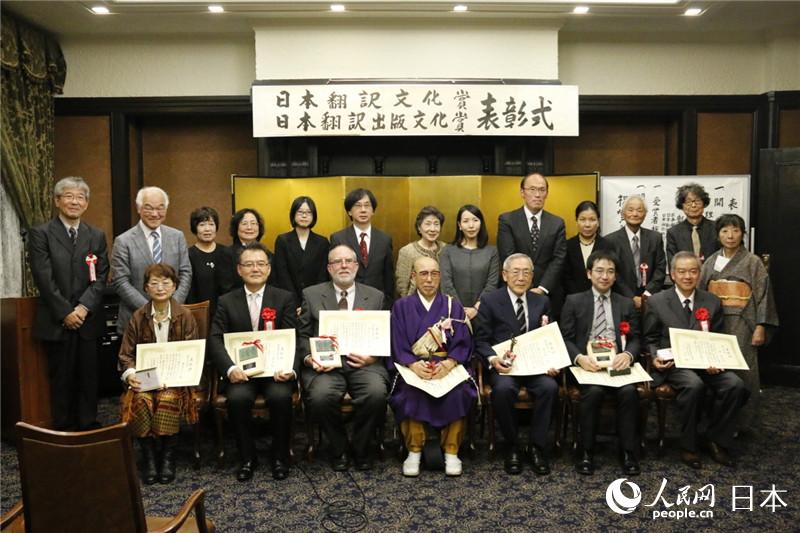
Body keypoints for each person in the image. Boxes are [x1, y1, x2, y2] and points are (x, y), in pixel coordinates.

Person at [644, 251, 749, 469]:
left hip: (706, 363)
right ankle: (688, 446)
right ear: (672, 274)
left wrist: (717, 360)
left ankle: (716, 439)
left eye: (693, 271)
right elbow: (650, 338)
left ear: (699, 274)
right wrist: (654, 357)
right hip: (675, 365)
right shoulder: (657, 301)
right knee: (693, 385)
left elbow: (718, 337)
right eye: (681, 272)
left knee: (736, 385)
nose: (687, 276)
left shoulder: (711, 301)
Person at [209, 242, 297, 481]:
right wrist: (230, 369)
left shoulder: (284, 298)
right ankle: (247, 457)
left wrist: (290, 369)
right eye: (249, 264)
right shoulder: (226, 301)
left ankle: (279, 456)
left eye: (260, 264)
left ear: (269, 269)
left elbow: (294, 338)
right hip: (242, 373)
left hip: (275, 371)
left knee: (280, 397)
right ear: (239, 270)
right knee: (237, 399)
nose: (255, 269)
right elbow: (215, 339)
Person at [297, 244, 389, 471]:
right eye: (337, 261)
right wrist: (311, 359)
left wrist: (372, 357)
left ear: (357, 266)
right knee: (319, 396)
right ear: (329, 268)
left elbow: (385, 335)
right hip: (326, 368)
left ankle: (360, 447)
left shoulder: (376, 297)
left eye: (349, 260)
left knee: (376, 394)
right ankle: (338, 448)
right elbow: (302, 336)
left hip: (365, 365)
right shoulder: (311, 294)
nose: (344, 265)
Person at [28, 176, 109, 431]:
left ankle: (87, 426)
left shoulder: (95, 235)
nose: (75, 201)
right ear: (57, 201)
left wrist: (83, 308)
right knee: (61, 378)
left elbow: (102, 275)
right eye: (69, 196)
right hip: (57, 319)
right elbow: (43, 277)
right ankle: (62, 430)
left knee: (88, 377)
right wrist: (66, 312)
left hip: (88, 319)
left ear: (86, 203)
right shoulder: (41, 234)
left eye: (80, 197)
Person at [389, 257, 477, 477]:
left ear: (440, 276)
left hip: (446, 365)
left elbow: (464, 341)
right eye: (423, 274)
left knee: (459, 392)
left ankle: (451, 451)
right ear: (413, 277)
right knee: (410, 392)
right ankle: (414, 450)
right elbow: (396, 342)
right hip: (413, 366)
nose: (429, 279)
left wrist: (449, 363)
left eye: (434, 274)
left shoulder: (452, 305)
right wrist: (412, 364)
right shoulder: (401, 306)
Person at [474, 253, 559, 475]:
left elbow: (550, 337)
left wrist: (553, 361)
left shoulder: (542, 301)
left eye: (526, 272)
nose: (521, 277)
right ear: (504, 275)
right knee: (502, 390)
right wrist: (493, 359)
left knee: (550, 388)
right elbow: (481, 340)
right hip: (506, 368)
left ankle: (537, 447)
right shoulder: (491, 301)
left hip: (535, 367)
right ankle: (512, 446)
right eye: (515, 272)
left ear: (532, 276)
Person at [560, 250, 641, 476]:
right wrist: (579, 358)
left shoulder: (626, 304)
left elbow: (636, 338)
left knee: (629, 393)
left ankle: (627, 452)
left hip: (618, 365)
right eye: (599, 271)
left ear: (615, 276)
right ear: (589, 274)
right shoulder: (574, 301)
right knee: (593, 392)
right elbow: (565, 337)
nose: (605, 276)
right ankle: (586, 451)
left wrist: (629, 355)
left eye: (610, 272)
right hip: (588, 365)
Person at [118, 263, 199, 485]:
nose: (160, 288)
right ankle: (150, 459)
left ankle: (167, 458)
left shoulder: (185, 316)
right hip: (145, 377)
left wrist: (174, 378)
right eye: (154, 283)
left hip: (176, 378)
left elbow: (192, 354)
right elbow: (125, 355)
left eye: (166, 283)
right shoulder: (137, 317)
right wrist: (131, 375)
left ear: (174, 287)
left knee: (167, 399)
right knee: (142, 400)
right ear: (146, 288)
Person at [700, 214, 778, 433]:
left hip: (744, 322)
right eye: (725, 231)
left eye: (735, 230)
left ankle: (741, 423)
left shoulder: (752, 261)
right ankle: (715, 420)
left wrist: (761, 325)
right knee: (717, 370)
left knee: (744, 370)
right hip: (715, 322)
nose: (730, 235)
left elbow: (763, 295)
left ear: (743, 234)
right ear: (718, 235)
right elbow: (701, 290)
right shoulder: (712, 260)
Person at [111, 186, 192, 334]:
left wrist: (172, 306)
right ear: (138, 208)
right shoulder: (123, 241)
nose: (155, 214)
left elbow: (186, 273)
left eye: (160, 208)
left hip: (174, 319)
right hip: (136, 320)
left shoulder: (177, 236)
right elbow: (120, 281)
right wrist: (151, 310)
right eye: (148, 208)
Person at [497, 172, 567, 305]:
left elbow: (559, 259)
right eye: (532, 189)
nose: (537, 194)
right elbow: (508, 255)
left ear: (547, 193)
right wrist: (523, 285)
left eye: (542, 190)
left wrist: (542, 288)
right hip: (514, 290)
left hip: (548, 293)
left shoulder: (557, 223)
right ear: (522, 192)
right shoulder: (507, 220)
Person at [330, 188, 394, 306]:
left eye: (367, 205)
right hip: (347, 301)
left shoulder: (384, 239)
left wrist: (388, 305)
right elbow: (332, 273)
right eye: (358, 206)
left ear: (373, 210)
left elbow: (389, 278)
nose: (363, 210)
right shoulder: (338, 238)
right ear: (349, 211)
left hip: (377, 302)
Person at [605, 195, 666, 311]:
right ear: (623, 213)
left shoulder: (655, 238)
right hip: (621, 299)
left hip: (650, 299)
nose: (635, 214)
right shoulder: (610, 241)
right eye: (630, 210)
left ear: (645, 214)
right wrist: (631, 297)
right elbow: (613, 272)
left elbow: (660, 268)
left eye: (639, 210)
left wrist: (647, 294)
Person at [439, 204, 499, 321]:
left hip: (484, 312)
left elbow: (492, 284)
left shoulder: (492, 251)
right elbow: (446, 284)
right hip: (453, 314)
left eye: (475, 220)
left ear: (481, 223)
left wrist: (476, 308)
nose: (471, 225)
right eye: (465, 221)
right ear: (459, 225)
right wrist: (460, 310)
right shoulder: (447, 251)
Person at [272, 196, 330, 312]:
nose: (304, 216)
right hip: (289, 300)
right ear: (293, 214)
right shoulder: (282, 240)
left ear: (314, 216)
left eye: (308, 212)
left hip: (316, 299)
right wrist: (294, 302)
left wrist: (311, 300)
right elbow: (282, 273)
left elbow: (323, 275)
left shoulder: (322, 242)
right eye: (300, 212)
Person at [187, 206, 233, 317]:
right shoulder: (188, 255)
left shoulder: (227, 253)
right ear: (195, 228)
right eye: (202, 225)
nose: (207, 229)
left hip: (224, 313)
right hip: (198, 314)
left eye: (211, 224)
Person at [395, 206, 447, 298]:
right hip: (415, 306)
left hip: (443, 305)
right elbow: (402, 287)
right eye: (428, 224)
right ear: (419, 227)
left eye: (436, 224)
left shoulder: (446, 249)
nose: (432, 229)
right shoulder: (407, 252)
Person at [563, 201, 613, 296]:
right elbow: (564, 277)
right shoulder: (567, 246)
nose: (587, 224)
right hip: (573, 300)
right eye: (582, 219)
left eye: (592, 219)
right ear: (576, 221)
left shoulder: (608, 246)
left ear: (598, 222)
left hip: (602, 298)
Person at [666, 183, 720, 265]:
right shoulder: (673, 233)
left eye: (697, 201)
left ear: (704, 204)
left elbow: (724, 256)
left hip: (714, 277)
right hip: (685, 277)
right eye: (688, 202)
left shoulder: (717, 228)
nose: (693, 205)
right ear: (682, 206)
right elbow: (673, 263)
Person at [229, 208, 273, 289]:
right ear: (236, 227)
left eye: (253, 223)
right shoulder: (226, 254)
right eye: (244, 223)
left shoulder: (269, 254)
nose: (249, 227)